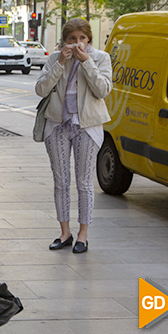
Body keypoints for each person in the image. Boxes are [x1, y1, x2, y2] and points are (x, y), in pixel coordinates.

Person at [35, 18, 112, 254]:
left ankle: (83, 235)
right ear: (64, 40)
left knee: (84, 182)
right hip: (57, 125)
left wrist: (87, 62)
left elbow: (103, 90)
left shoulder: (100, 58)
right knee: (61, 180)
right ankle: (64, 232)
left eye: (82, 39)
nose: (77, 44)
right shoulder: (54, 58)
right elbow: (41, 89)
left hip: (86, 126)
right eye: (72, 39)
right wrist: (60, 62)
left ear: (89, 39)